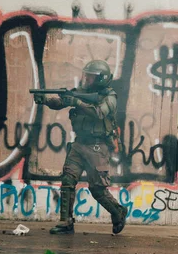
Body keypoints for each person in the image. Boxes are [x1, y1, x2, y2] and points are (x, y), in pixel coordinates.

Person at [34, 60, 128, 235]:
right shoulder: (81, 92)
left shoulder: (110, 96)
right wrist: (45, 100)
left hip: (97, 147)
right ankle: (66, 222)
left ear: (101, 79)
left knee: (97, 189)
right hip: (79, 145)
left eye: (91, 77)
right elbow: (61, 101)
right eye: (87, 76)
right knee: (68, 181)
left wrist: (77, 103)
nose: (87, 79)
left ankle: (118, 211)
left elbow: (99, 113)